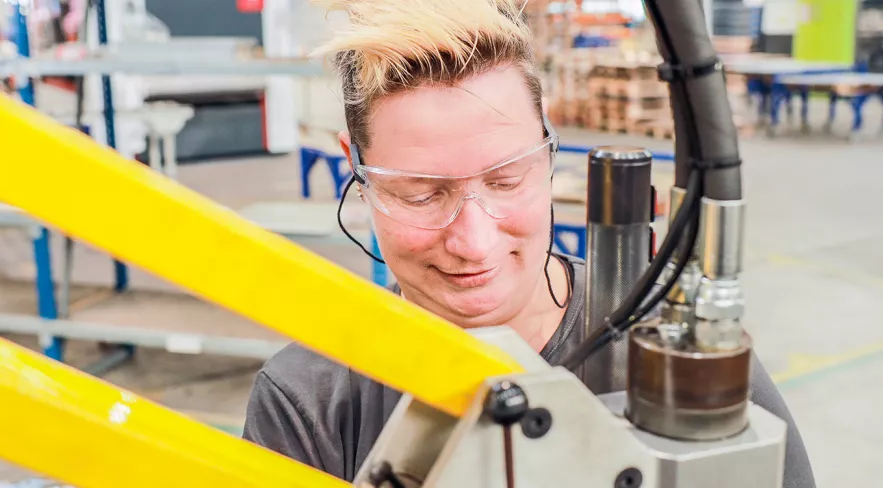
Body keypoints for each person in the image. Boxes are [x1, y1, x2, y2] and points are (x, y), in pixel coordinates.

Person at [242, 0, 816, 486]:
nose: (472, 240)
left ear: (549, 151)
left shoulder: (674, 358)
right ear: (356, 169)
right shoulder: (308, 402)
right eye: (421, 194)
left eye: (506, 180)